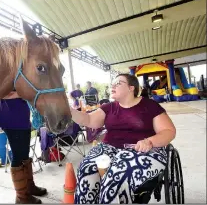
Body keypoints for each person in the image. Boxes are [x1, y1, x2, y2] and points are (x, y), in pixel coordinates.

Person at [70, 74, 176, 204]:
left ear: (131, 88)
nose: (112, 86)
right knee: (86, 167)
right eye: (112, 84)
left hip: (143, 150)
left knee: (116, 175)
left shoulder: (150, 105)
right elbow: (89, 119)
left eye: (118, 83)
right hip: (109, 147)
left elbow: (169, 131)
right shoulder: (109, 107)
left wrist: (150, 141)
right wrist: (68, 110)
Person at [0, 90, 47, 204]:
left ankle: (29, 187)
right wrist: (23, 93)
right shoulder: (3, 73)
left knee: (25, 154)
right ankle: (22, 197)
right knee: (18, 155)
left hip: (22, 119)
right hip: (11, 119)